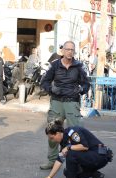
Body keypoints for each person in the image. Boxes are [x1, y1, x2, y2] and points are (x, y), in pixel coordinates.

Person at [39, 40, 90, 170]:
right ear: (62, 51)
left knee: (76, 134)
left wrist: (81, 90)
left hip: (72, 102)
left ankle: (77, 164)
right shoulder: (55, 65)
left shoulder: (78, 66)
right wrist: (51, 89)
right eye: (67, 49)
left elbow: (86, 84)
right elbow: (44, 82)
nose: (70, 52)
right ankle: (51, 161)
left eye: (72, 50)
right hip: (56, 102)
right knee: (53, 132)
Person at [40, 120, 111, 178]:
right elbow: (59, 160)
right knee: (68, 172)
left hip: (101, 155)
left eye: (52, 138)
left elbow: (85, 146)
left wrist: (68, 147)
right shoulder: (64, 141)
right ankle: (96, 175)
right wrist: (49, 177)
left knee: (71, 153)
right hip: (93, 156)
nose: (52, 140)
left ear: (58, 133)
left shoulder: (72, 132)